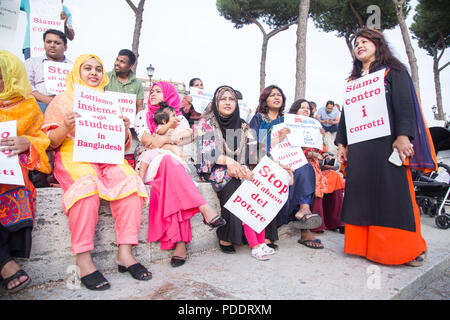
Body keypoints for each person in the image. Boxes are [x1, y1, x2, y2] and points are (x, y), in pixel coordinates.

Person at [42, 54, 151, 291]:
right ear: (76, 72)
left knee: (132, 183)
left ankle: (125, 253)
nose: (94, 73)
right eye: (87, 68)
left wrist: (122, 128)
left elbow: (123, 145)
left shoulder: (109, 101)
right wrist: (66, 126)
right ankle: (83, 260)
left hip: (107, 156)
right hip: (73, 154)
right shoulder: (62, 100)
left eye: (98, 69)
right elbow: (50, 142)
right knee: (87, 187)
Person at [336, 28, 437, 267]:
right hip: (360, 148)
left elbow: (404, 104)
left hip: (387, 144)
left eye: (364, 41)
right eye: (356, 43)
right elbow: (346, 115)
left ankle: (405, 249)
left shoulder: (394, 72)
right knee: (362, 194)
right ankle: (364, 246)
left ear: (377, 44)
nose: (359, 45)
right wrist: (342, 143)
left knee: (393, 194)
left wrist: (403, 136)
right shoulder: (353, 81)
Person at [134, 81, 226, 268]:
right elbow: (148, 142)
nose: (152, 94)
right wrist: (169, 143)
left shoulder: (180, 118)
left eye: (158, 91)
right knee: (170, 163)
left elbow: (185, 137)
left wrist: (163, 140)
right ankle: (202, 212)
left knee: (172, 172)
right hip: (149, 162)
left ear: (169, 95)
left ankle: (181, 243)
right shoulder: (143, 114)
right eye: (152, 91)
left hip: (174, 164)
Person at [0, 50, 51, 293]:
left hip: (12, 173)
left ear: (11, 77)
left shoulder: (28, 106)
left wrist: (27, 143)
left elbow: (42, 139)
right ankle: (5, 263)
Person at [249, 85, 323, 250]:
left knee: (306, 169)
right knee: (285, 174)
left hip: (289, 159)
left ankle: (304, 209)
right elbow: (253, 147)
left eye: (279, 95)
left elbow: (297, 143)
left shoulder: (287, 119)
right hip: (267, 161)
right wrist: (277, 138)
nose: (276, 97)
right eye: (272, 95)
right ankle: (299, 223)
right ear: (265, 99)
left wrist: (316, 136)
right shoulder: (258, 119)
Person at [289, 99, 345, 236]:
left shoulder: (315, 127)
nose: (306, 110)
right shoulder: (290, 127)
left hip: (317, 164)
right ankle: (315, 223)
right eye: (302, 108)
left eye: (308, 108)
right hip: (299, 164)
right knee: (316, 178)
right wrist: (311, 154)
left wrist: (326, 155)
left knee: (335, 177)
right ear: (295, 110)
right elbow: (289, 149)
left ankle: (336, 221)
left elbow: (321, 149)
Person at [139, 103, 191, 183]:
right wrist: (169, 124)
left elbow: (189, 132)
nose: (176, 118)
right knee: (147, 155)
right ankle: (141, 177)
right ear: (164, 121)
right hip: (160, 150)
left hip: (170, 152)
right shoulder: (162, 127)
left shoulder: (178, 128)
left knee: (179, 158)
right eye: (173, 116)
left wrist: (180, 133)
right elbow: (160, 132)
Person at [24, 29, 72, 113]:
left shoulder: (74, 67)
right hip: (38, 103)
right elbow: (25, 85)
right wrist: (46, 99)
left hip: (66, 106)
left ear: (65, 47)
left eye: (57, 43)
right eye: (48, 42)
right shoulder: (32, 62)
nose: (52, 45)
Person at [105, 49, 144, 114]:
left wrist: (136, 123)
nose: (117, 63)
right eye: (117, 60)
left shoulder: (138, 84)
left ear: (130, 66)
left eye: (122, 62)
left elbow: (139, 106)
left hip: (128, 123)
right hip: (106, 121)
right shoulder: (105, 77)